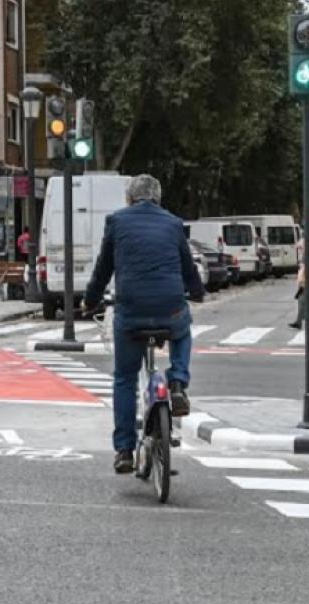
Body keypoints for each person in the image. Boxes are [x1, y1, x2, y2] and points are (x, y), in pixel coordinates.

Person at [83, 174, 205, 475]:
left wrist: (90, 300)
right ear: (158, 198)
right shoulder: (174, 223)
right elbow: (187, 267)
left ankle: (124, 450)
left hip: (131, 311)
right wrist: (198, 292)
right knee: (183, 330)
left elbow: (103, 268)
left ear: (130, 198)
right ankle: (177, 382)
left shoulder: (117, 222)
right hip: (170, 309)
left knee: (124, 377)